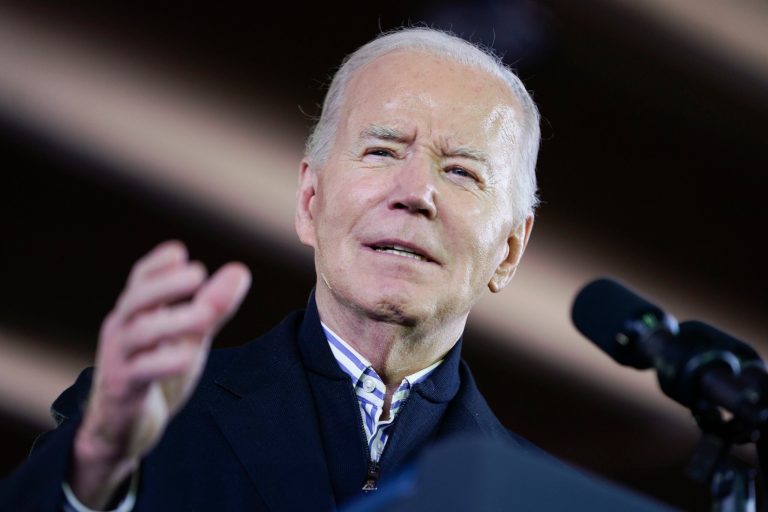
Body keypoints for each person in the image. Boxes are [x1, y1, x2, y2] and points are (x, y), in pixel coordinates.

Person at [1, 26, 539, 511]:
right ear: (309, 200)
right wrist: (95, 468)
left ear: (510, 251)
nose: (416, 192)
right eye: (381, 151)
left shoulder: (542, 497)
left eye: (462, 171)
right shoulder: (140, 427)